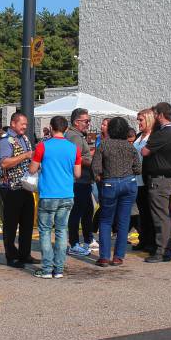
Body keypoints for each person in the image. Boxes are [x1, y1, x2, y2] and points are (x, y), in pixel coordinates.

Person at [28, 116, 81, 279]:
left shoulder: (42, 146)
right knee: (61, 231)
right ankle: (58, 269)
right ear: (66, 129)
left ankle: (46, 269)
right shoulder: (74, 148)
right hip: (66, 194)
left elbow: (32, 169)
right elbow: (77, 174)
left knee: (44, 231)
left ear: (51, 128)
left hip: (48, 194)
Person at [92, 117, 141, 266]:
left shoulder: (104, 145)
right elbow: (138, 169)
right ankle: (118, 256)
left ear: (110, 129)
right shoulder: (130, 146)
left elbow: (96, 168)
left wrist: (101, 178)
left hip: (109, 184)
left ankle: (104, 256)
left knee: (106, 220)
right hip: (129, 183)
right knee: (123, 220)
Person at [141, 102, 171, 263]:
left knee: (160, 217)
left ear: (160, 115)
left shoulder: (164, 133)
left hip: (160, 180)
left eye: (155, 114)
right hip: (164, 179)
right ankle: (165, 249)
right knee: (163, 215)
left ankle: (162, 250)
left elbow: (144, 151)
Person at [0, 112, 38, 268]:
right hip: (11, 188)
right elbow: (4, 163)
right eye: (23, 124)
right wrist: (26, 155)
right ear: (13, 123)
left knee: (27, 223)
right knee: (11, 225)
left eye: (26, 124)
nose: (25, 127)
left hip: (26, 186)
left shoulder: (25, 139)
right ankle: (11, 256)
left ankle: (25, 254)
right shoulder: (6, 140)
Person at [66, 108, 96, 256]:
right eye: (86, 121)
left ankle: (88, 239)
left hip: (83, 180)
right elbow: (76, 158)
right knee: (77, 212)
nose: (88, 124)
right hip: (78, 180)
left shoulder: (77, 135)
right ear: (76, 122)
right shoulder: (75, 137)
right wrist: (94, 162)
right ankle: (74, 243)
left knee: (87, 210)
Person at [132, 109, 156, 253]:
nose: (138, 123)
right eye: (138, 120)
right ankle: (143, 239)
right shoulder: (140, 136)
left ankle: (151, 241)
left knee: (149, 212)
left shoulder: (153, 137)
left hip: (147, 178)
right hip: (137, 179)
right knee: (142, 211)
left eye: (141, 120)